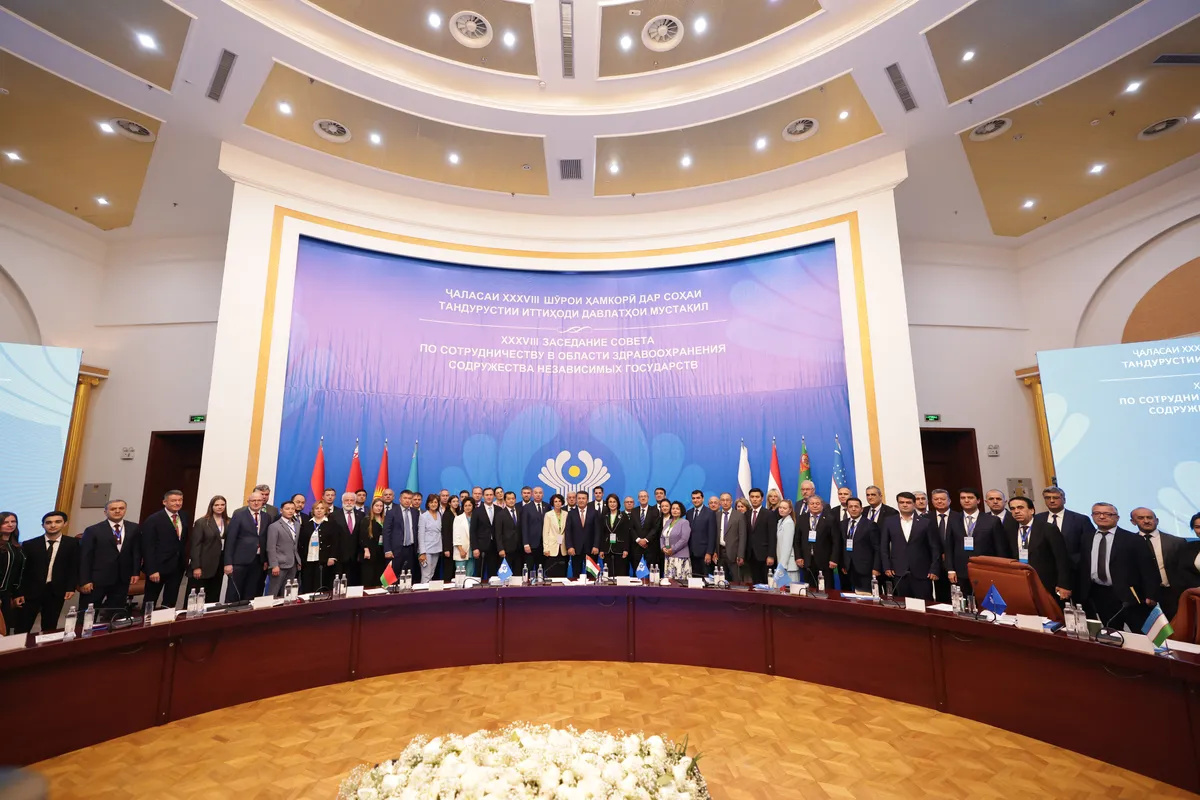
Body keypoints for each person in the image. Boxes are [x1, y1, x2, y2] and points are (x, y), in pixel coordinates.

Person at [1077, 503, 1157, 630]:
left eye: (1107, 514)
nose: (1102, 517)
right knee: (1112, 633)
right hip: (1100, 594)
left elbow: (1148, 569)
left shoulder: (1133, 539)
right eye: (1097, 513)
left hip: (1130, 595)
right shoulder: (1086, 537)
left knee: (1141, 633)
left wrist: (1151, 594)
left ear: (1117, 518)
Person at [16, 511, 79, 633]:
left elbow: (73, 567)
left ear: (65, 523)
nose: (53, 525)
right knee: (23, 626)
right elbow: (21, 570)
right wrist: (19, 592)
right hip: (30, 591)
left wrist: (71, 587)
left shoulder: (72, 544)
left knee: (50, 626)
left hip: (56, 590)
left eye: (57, 522)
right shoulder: (30, 544)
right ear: (43, 525)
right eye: (48, 522)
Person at [79, 499, 141, 611]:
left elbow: (136, 552)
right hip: (97, 578)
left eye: (121, 508)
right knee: (88, 613)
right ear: (105, 512)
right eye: (113, 509)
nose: (117, 511)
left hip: (122, 578)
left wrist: (135, 572)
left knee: (116, 611)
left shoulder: (134, 528)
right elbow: (85, 557)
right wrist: (85, 580)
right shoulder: (93, 530)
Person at [1009, 496, 1071, 605]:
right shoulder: (1010, 529)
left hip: (1046, 583)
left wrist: (1064, 585)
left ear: (1032, 510)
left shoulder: (1048, 528)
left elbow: (1061, 558)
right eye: (1012, 509)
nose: (1016, 511)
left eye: (1020, 507)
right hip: (1020, 581)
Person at [880, 492, 941, 600]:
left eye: (908, 502)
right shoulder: (889, 522)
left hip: (922, 571)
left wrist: (934, 569)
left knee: (925, 603)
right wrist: (887, 566)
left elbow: (935, 547)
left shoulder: (926, 522)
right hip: (898, 571)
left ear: (914, 504)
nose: (904, 505)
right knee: (903, 603)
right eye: (901, 502)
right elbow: (884, 546)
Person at [1129, 507, 1184, 619]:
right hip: (1142, 597)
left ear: (1157, 520)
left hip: (1171, 594)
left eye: (1149, 517)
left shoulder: (1177, 542)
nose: (1146, 521)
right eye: (1141, 518)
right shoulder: (1128, 542)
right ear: (1133, 522)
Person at [142, 490, 189, 609]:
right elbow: (148, 547)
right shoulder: (153, 519)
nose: (177, 503)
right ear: (164, 502)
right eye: (173, 500)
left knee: (170, 600)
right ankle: (146, 620)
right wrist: (152, 569)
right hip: (158, 567)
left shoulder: (184, 516)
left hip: (177, 567)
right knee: (150, 600)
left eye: (180, 500)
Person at [223, 490, 267, 602]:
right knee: (234, 592)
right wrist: (228, 563)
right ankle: (231, 611)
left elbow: (265, 539)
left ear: (263, 502)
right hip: (240, 561)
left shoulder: (267, 517)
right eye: (253, 500)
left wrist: (265, 560)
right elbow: (230, 540)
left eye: (259, 500)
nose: (256, 503)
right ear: (248, 502)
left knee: (251, 592)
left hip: (257, 561)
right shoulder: (239, 515)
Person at [1036, 486, 1094, 570]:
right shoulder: (1038, 519)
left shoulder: (1080, 519)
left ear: (1064, 500)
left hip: (1073, 567)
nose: (1051, 501)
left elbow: (1089, 545)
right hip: (1045, 567)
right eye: (1048, 498)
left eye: (1056, 498)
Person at [187, 495, 227, 602]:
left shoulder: (228, 521)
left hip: (219, 564)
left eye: (222, 504)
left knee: (213, 595)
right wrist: (196, 566)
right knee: (197, 596)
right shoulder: (202, 522)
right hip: (203, 564)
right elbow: (195, 545)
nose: (220, 507)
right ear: (211, 506)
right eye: (216, 505)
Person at [839, 498, 881, 593]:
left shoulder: (870, 525)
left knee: (864, 596)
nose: (853, 509)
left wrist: (876, 568)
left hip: (865, 569)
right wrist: (843, 564)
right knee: (846, 596)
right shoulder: (842, 524)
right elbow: (841, 546)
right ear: (847, 509)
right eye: (850, 507)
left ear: (861, 509)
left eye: (856, 506)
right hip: (847, 568)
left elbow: (877, 548)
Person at [297, 501, 337, 593]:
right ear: (313, 511)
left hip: (323, 560)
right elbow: (301, 542)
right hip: (308, 559)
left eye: (322, 508)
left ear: (326, 511)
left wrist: (332, 557)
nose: (319, 510)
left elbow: (335, 542)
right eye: (317, 508)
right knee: (307, 582)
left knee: (320, 583)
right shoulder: (307, 524)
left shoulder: (332, 524)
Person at [799, 495, 838, 588]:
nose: (815, 506)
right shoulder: (802, 518)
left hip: (825, 561)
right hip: (807, 560)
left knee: (826, 588)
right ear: (808, 505)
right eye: (812, 503)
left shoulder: (830, 519)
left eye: (817, 503)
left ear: (822, 505)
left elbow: (836, 541)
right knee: (810, 589)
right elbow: (797, 540)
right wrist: (798, 557)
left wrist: (834, 559)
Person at [266, 500, 301, 598]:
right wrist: (274, 565)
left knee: (288, 592)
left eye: (292, 509)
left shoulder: (297, 525)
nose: (290, 511)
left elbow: (295, 544)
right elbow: (271, 547)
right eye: (287, 509)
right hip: (279, 564)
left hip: (293, 563)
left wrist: (298, 560)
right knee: (274, 591)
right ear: (281, 510)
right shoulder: (274, 526)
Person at [384, 489, 418, 582]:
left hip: (411, 549)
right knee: (395, 575)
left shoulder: (415, 512)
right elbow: (386, 532)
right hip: (396, 549)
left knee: (409, 574)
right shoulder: (392, 512)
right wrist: (387, 550)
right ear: (400, 499)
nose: (407, 500)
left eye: (409, 498)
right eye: (405, 498)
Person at [745, 488, 777, 584]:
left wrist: (771, 555)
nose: (754, 499)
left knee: (766, 583)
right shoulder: (746, 514)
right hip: (750, 555)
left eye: (757, 497)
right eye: (752, 497)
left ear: (762, 499)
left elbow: (772, 536)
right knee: (755, 583)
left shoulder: (769, 514)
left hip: (764, 555)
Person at [0, 512, 25, 632]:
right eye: (6, 522)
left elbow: (17, 572)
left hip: (8, 594)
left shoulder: (16, 546)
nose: (10, 525)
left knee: (6, 628)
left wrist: (17, 593)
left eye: (13, 521)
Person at [715, 493, 746, 584]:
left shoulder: (739, 515)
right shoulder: (717, 515)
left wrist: (740, 555)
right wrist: (714, 551)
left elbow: (742, 536)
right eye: (723, 500)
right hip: (720, 553)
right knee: (721, 581)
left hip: (734, 554)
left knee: (736, 581)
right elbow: (714, 535)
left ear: (731, 502)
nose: (725, 502)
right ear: (720, 502)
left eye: (727, 500)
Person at [333, 492, 363, 585]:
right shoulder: (334, 515)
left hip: (356, 557)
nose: (349, 502)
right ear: (342, 501)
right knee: (340, 583)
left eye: (352, 500)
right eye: (347, 500)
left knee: (355, 582)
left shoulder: (361, 515)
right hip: (339, 556)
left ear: (355, 501)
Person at [469, 487, 499, 579]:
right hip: (480, 547)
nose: (489, 497)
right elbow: (473, 531)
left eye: (491, 495)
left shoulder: (499, 510)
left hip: (495, 547)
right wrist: (475, 548)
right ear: (483, 496)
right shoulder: (477, 511)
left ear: (494, 496)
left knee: (493, 574)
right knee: (479, 573)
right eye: (487, 495)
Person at [564, 490, 595, 578]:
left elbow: (597, 531)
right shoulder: (571, 513)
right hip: (575, 549)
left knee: (591, 575)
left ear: (587, 500)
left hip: (591, 549)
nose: (581, 500)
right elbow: (568, 531)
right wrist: (570, 546)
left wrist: (596, 546)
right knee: (576, 575)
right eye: (579, 498)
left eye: (583, 498)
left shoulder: (594, 512)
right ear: (576, 500)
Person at [629, 490, 661, 573]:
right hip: (636, 546)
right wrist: (638, 540)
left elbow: (655, 528)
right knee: (637, 572)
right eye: (641, 496)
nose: (643, 498)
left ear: (648, 498)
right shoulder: (633, 511)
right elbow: (631, 528)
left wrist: (646, 540)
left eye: (645, 496)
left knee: (652, 572)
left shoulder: (654, 510)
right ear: (638, 499)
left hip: (650, 546)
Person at [357, 498, 387, 587]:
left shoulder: (385, 519)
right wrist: (366, 549)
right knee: (369, 576)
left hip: (381, 551)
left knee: (380, 576)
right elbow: (362, 537)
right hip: (370, 552)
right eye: (377, 506)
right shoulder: (367, 520)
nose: (379, 508)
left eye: (381, 506)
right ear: (372, 507)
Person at [598, 493, 629, 577]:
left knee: (620, 573)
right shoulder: (604, 516)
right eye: (610, 502)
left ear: (618, 503)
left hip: (620, 549)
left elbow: (626, 534)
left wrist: (626, 549)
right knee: (608, 573)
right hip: (607, 548)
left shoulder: (623, 516)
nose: (612, 504)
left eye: (614, 502)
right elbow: (602, 534)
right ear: (607, 504)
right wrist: (601, 549)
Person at [686, 489, 714, 577]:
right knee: (694, 579)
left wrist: (709, 553)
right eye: (693, 498)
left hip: (704, 554)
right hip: (691, 553)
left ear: (703, 499)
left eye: (698, 498)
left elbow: (712, 534)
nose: (696, 500)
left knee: (705, 579)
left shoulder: (710, 513)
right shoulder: (689, 513)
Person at [661, 501, 692, 579]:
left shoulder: (684, 522)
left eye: (677, 509)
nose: (675, 510)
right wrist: (663, 547)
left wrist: (673, 549)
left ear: (681, 511)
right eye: (673, 508)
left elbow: (684, 539)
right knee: (669, 581)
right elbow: (662, 537)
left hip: (680, 557)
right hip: (668, 556)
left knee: (680, 582)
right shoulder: (668, 522)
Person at [417, 493, 443, 583]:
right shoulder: (423, 516)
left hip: (437, 548)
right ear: (428, 504)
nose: (433, 504)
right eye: (431, 502)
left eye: (435, 502)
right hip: (427, 549)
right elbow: (420, 535)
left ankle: (429, 591)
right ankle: (423, 591)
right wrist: (422, 552)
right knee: (426, 574)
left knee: (431, 573)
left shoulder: (439, 514)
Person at [521, 486, 546, 576]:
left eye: (540, 493)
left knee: (542, 569)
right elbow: (524, 526)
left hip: (544, 544)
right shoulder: (526, 507)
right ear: (532, 494)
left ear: (543, 494)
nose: (538, 495)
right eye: (536, 493)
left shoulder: (547, 506)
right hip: (531, 545)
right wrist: (526, 543)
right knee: (529, 568)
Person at [495, 491, 522, 576]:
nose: (511, 501)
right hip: (506, 549)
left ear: (515, 500)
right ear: (505, 500)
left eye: (513, 499)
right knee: (505, 575)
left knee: (518, 574)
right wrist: (500, 548)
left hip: (519, 549)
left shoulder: (520, 511)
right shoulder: (500, 514)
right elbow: (498, 533)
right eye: (509, 499)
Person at [542, 494, 568, 578]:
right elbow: (545, 532)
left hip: (563, 547)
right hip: (551, 547)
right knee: (552, 571)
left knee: (562, 571)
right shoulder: (548, 515)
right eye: (555, 501)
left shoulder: (566, 514)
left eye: (559, 501)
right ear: (552, 503)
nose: (557, 503)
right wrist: (546, 548)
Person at [776, 499, 799, 584]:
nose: (781, 510)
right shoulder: (781, 521)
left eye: (784, 508)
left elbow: (787, 545)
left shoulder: (789, 523)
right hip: (782, 562)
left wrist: (782, 565)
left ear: (790, 510)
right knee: (782, 588)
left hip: (788, 565)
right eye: (780, 507)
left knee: (790, 589)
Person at [438, 495, 460, 581]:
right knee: (448, 569)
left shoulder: (458, 513)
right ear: (450, 503)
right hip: (449, 546)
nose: (456, 503)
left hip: (456, 545)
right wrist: (446, 549)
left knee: (455, 570)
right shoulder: (447, 514)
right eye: (453, 501)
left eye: (457, 501)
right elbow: (445, 532)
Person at [452, 497, 475, 577]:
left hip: (471, 551)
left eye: (470, 505)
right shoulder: (458, 518)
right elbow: (456, 535)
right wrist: (461, 550)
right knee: (460, 575)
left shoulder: (475, 518)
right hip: (461, 551)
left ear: (473, 506)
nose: (468, 507)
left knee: (469, 575)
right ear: (463, 507)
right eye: (465, 505)